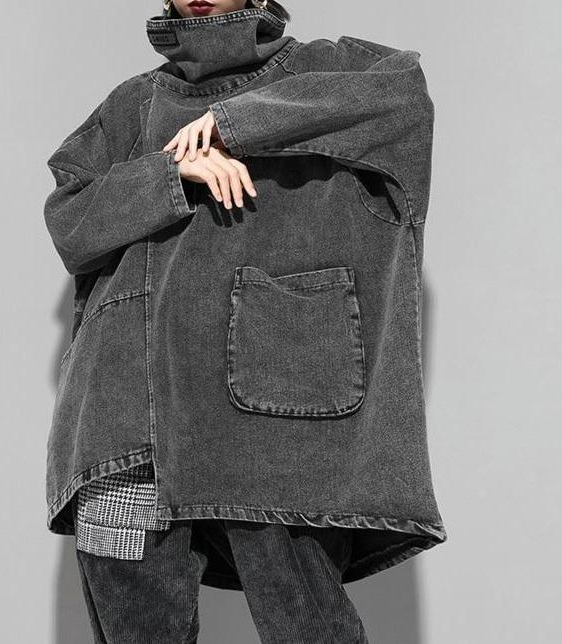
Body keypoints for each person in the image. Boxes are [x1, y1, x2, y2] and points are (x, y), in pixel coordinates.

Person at [43, 1, 448, 642]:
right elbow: (70, 220)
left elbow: (402, 97)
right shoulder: (130, 106)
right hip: (126, 432)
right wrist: (168, 173)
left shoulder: (330, 69)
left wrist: (233, 124)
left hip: (275, 421)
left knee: (306, 625)